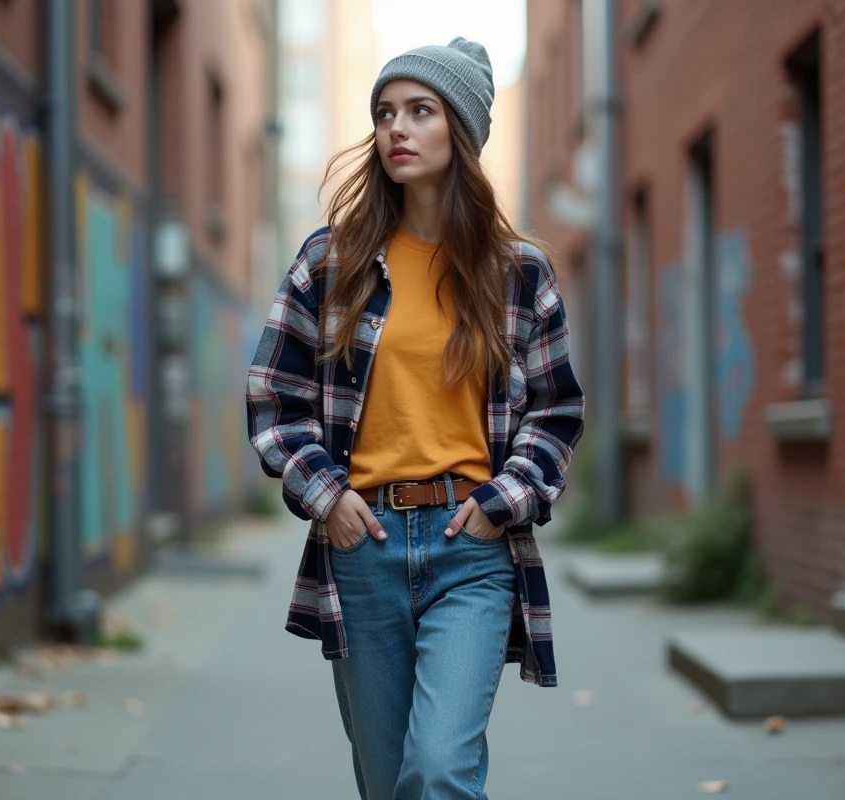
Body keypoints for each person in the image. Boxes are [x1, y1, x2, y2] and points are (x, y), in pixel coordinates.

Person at [246, 36, 585, 800]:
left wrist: (503, 504)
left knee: (437, 770)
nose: (396, 127)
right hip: (362, 546)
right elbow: (273, 397)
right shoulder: (330, 264)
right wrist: (327, 499)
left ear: (459, 132)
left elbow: (557, 410)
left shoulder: (517, 273)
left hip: (471, 548)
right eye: (384, 113)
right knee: (385, 784)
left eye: (419, 111)